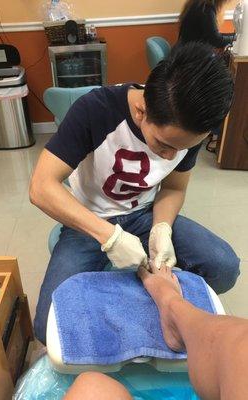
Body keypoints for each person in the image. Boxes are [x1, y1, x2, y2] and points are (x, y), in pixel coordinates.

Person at [30, 42, 239, 345]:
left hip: (144, 215)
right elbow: (41, 187)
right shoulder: (96, 110)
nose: (169, 157)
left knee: (223, 267)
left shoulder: (188, 127)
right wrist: (109, 237)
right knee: (49, 327)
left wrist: (162, 227)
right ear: (142, 110)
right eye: (163, 144)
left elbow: (174, 186)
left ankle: (154, 301)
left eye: (181, 149)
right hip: (90, 219)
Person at [63, 264, 248, 400]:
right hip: (92, 229)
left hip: (143, 221)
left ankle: (170, 303)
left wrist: (162, 226)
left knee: (91, 388)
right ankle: (171, 303)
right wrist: (109, 236)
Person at [178, 0, 236, 152]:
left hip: (187, 55)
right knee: (221, 89)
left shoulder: (196, 5)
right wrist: (235, 37)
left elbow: (213, 37)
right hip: (192, 61)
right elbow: (215, 39)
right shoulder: (205, 9)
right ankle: (214, 136)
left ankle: (213, 132)